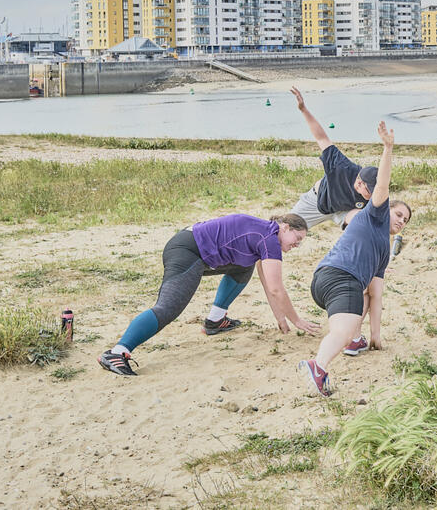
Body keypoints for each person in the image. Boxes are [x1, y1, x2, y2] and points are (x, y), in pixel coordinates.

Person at [98, 213, 318, 376]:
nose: (297, 245)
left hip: (193, 247)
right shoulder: (269, 239)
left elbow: (266, 280)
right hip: (187, 251)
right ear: (285, 227)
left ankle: (215, 321)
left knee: (244, 265)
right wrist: (297, 320)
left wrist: (280, 317)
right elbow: (276, 288)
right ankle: (118, 352)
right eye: (297, 238)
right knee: (168, 308)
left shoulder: (266, 233)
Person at [299, 121, 413, 397]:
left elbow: (376, 294)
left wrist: (376, 335)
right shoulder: (375, 214)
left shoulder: (383, 249)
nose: (401, 221)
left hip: (324, 281)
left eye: (406, 221)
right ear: (387, 208)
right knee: (343, 328)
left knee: (362, 298)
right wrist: (388, 149)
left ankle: (355, 341)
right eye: (398, 214)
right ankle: (319, 365)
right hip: (340, 278)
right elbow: (383, 186)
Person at [287, 86, 378, 232]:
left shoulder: (374, 193)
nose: (373, 195)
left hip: (344, 210)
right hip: (317, 202)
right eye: (370, 190)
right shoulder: (341, 167)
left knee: (363, 223)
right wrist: (303, 109)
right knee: (286, 228)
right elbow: (322, 138)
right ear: (359, 183)